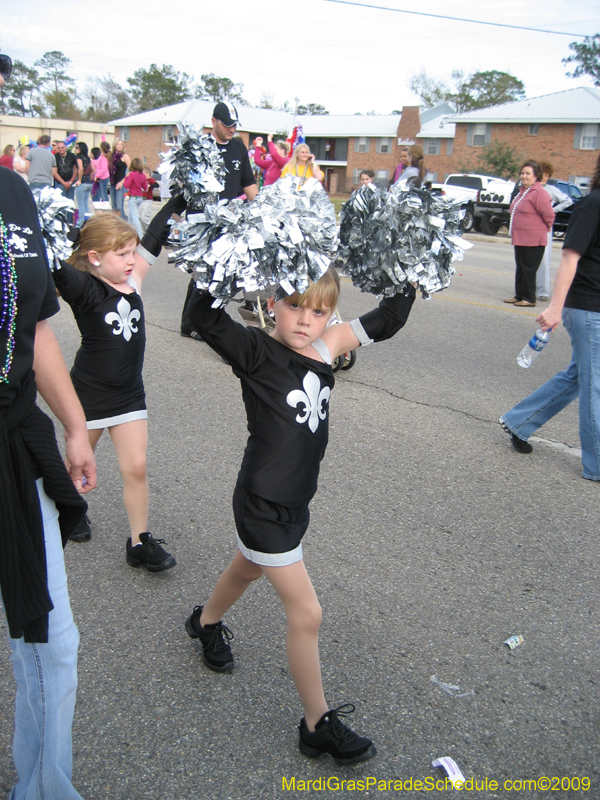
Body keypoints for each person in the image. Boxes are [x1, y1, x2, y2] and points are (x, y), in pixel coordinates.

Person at [173, 268, 415, 764]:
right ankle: (316, 725)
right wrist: (223, 263)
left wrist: (409, 272)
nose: (306, 320)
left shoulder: (327, 347)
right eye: (294, 305)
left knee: (247, 567)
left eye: (319, 311)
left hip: (296, 499)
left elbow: (387, 320)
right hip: (263, 503)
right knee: (307, 614)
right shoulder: (255, 350)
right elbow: (202, 314)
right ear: (272, 301)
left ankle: (205, 621)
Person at [0, 50, 97, 800]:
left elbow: (34, 327)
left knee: (51, 642)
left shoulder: (12, 194)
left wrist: (72, 424)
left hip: (15, 437)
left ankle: (44, 788)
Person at [50, 215, 176, 569]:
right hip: (88, 395)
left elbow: (154, 235)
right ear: (94, 258)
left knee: (136, 466)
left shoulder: (133, 281)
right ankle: (70, 511)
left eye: (132, 253)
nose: (132, 260)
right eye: (122, 254)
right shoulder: (85, 289)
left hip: (129, 396)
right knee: (77, 465)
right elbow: (51, 263)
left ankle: (139, 542)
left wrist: (181, 199)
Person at [499, 153, 600, 478]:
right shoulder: (593, 205)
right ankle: (596, 465)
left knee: (578, 376)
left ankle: (520, 421)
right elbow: (570, 258)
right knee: (594, 384)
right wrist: (555, 307)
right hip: (588, 307)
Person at [138, 101, 258, 341]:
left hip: (227, 219)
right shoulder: (198, 147)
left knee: (214, 272)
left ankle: (194, 321)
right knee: (207, 271)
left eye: (235, 125)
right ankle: (197, 321)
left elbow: (248, 183)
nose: (232, 129)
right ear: (213, 121)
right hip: (200, 221)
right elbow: (181, 186)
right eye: (227, 125)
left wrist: (260, 210)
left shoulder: (238, 148)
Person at [503, 160, 555, 308]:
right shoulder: (523, 192)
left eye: (528, 173)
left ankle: (529, 298)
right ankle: (519, 295)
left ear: (535, 176)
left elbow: (549, 214)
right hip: (520, 237)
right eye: (522, 173)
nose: (524, 176)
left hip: (533, 239)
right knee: (521, 267)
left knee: (528, 269)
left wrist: (547, 227)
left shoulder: (539, 193)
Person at [536, 161, 573, 301]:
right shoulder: (531, 188)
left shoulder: (551, 190)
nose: (544, 178)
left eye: (546, 175)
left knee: (544, 259)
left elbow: (567, 201)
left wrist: (552, 210)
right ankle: (528, 287)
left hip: (545, 226)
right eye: (542, 175)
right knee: (530, 259)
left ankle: (543, 291)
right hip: (531, 227)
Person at [123, 157, 148, 237]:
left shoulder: (132, 175)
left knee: (134, 217)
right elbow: (145, 187)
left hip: (133, 197)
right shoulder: (143, 175)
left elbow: (126, 185)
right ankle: (129, 234)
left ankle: (141, 237)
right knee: (130, 216)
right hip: (140, 197)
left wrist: (127, 177)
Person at [73, 142, 96, 228]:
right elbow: (93, 170)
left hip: (82, 183)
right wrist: (90, 177)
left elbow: (81, 168)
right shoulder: (88, 158)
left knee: (81, 204)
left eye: (77, 147)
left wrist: (79, 179)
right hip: (88, 183)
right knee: (86, 203)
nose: (76, 149)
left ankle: (80, 223)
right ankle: (87, 220)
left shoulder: (79, 157)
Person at [109, 139, 131, 220]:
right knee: (113, 207)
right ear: (114, 145)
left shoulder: (125, 156)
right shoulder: (112, 156)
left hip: (121, 184)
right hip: (112, 183)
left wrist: (122, 182)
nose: (119, 145)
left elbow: (131, 171)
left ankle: (124, 224)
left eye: (121, 144)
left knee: (119, 207)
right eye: (117, 144)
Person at [139, 166, 157, 232]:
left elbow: (156, 185)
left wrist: (150, 186)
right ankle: (144, 231)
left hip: (147, 200)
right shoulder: (142, 180)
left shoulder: (150, 180)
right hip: (141, 200)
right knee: (140, 218)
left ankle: (150, 230)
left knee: (144, 218)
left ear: (147, 174)